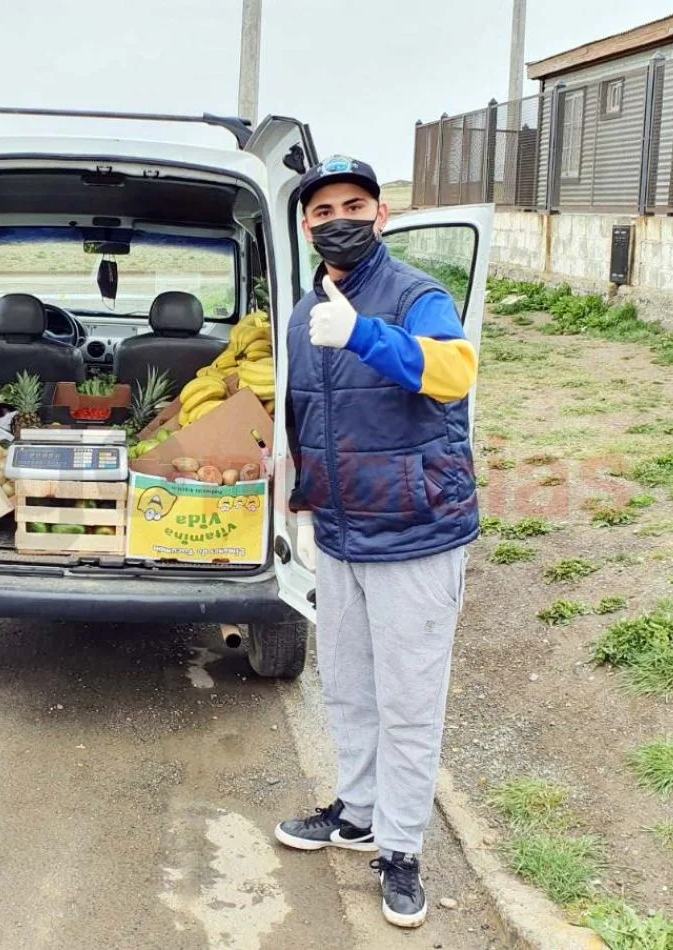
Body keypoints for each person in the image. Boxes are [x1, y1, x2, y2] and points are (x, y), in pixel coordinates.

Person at [273, 156, 479, 929]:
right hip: (341, 528)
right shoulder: (303, 312)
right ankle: (357, 813)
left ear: (382, 214)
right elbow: (305, 417)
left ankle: (401, 849)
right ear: (307, 227)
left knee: (410, 699)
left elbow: (454, 372)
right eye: (324, 212)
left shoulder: (417, 294)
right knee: (351, 687)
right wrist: (291, 498)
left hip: (417, 531)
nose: (339, 221)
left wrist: (364, 334)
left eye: (354, 205)